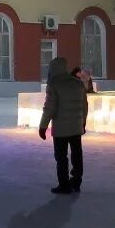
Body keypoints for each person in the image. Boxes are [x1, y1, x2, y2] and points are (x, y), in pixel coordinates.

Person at [39, 56, 88, 195]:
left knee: (61, 157)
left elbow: (49, 107)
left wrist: (43, 126)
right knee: (77, 154)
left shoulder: (54, 84)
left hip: (61, 129)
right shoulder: (77, 83)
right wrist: (83, 121)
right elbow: (84, 105)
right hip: (76, 127)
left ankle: (64, 184)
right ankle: (76, 181)